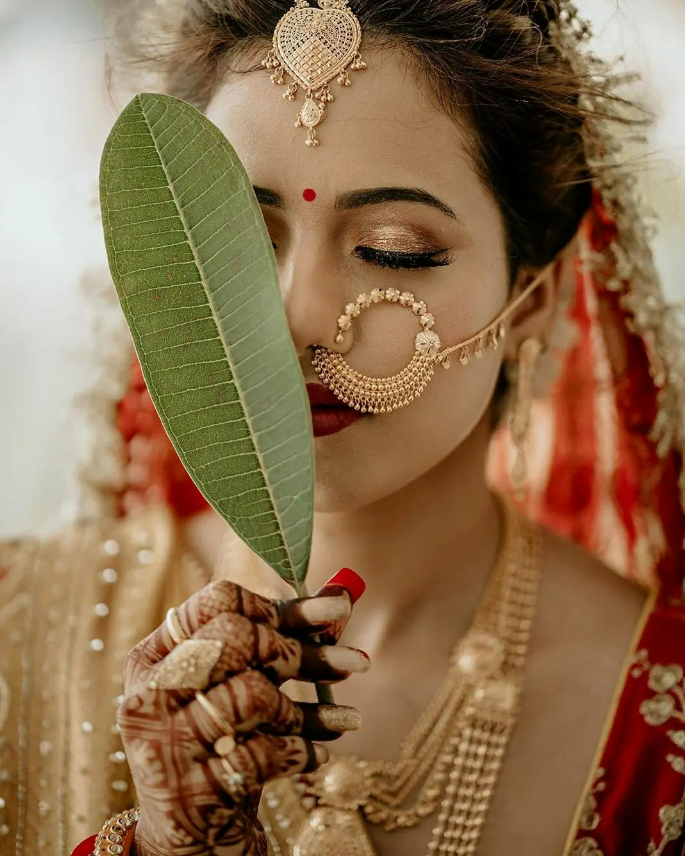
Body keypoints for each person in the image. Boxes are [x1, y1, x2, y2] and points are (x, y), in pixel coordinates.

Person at [1, 0, 684, 854]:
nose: (300, 316)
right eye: (237, 242)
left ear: (533, 302)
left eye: (393, 249)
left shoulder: (662, 712)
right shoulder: (17, 631)